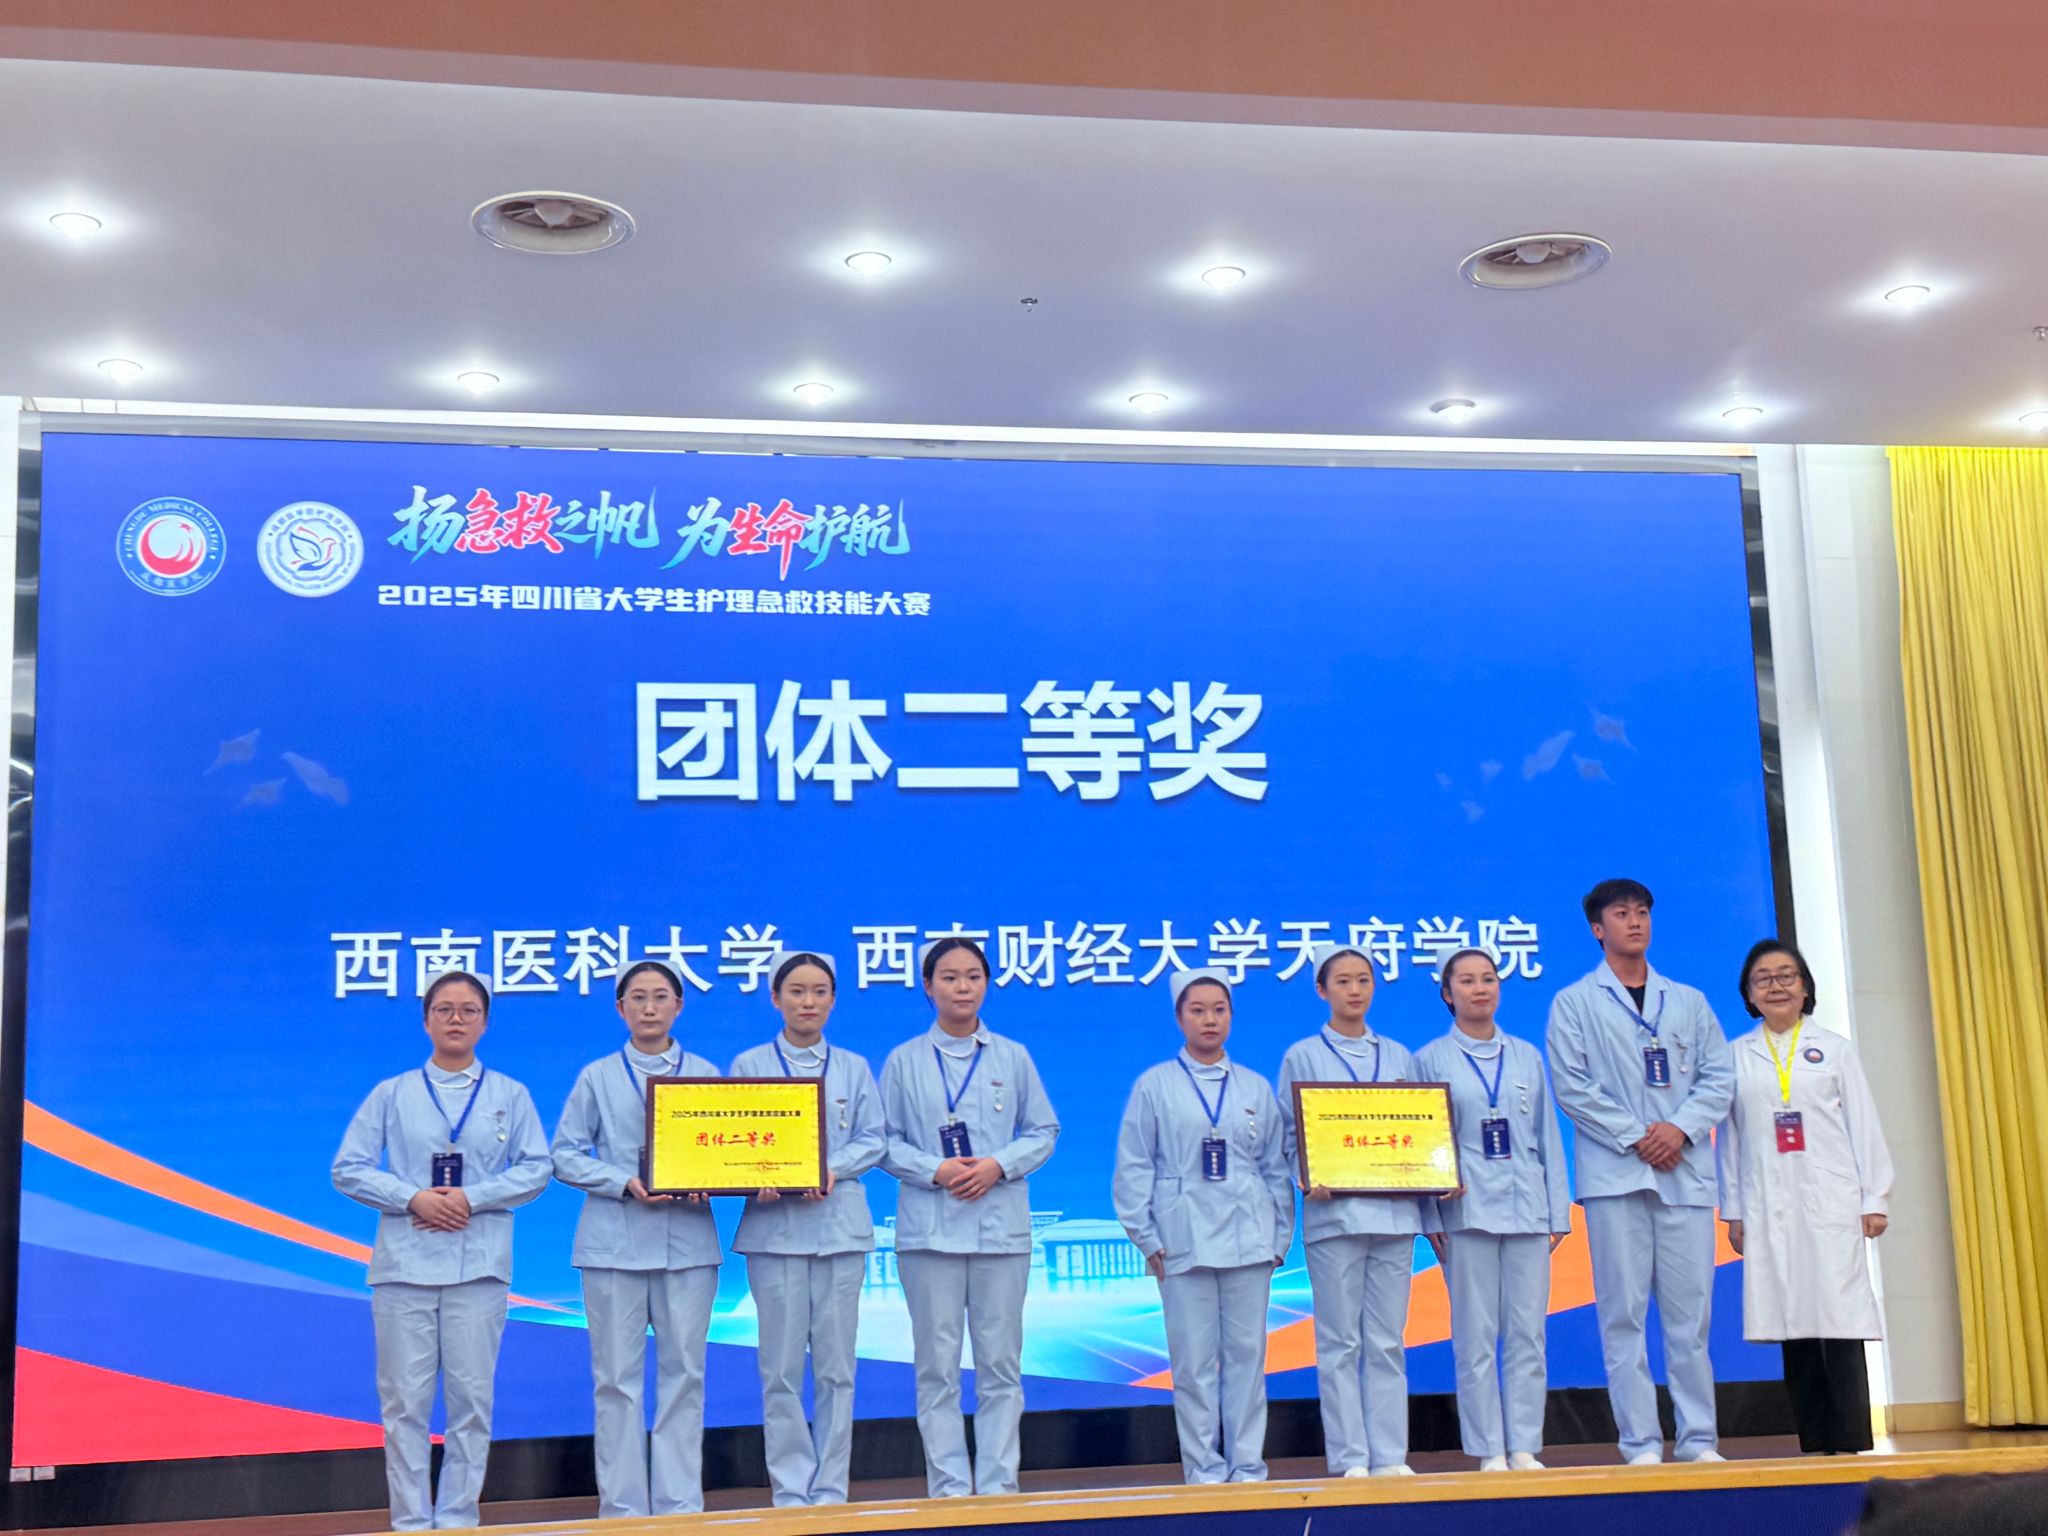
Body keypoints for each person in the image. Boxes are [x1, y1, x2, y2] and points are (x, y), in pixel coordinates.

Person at [331, 971, 552, 1532]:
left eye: (468, 1010)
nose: (456, 1019)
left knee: (470, 1404)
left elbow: (537, 1168)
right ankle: (410, 1522)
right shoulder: (393, 1093)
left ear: (485, 1022)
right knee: (403, 1405)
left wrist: (473, 1198)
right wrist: (413, 1198)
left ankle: (457, 1520)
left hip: (479, 1269)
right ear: (426, 1020)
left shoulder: (510, 1094)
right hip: (404, 1268)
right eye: (444, 1009)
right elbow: (348, 1168)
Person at [1546, 878, 1734, 1465]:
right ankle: (1641, 1442)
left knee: (1689, 1318)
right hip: (1616, 1177)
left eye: (1643, 912)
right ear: (1597, 929)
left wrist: (1678, 1129)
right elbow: (1572, 1086)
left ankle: (1699, 1440)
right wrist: (1637, 1136)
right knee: (1621, 1315)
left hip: (1684, 1174)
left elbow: (1719, 1078)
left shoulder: (1688, 1001)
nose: (1635, 921)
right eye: (1622, 913)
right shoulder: (1574, 1002)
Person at [879, 937, 1060, 1498]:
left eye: (973, 976)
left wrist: (997, 1165)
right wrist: (934, 1169)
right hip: (929, 1234)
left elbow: (1044, 1131)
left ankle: (1000, 1483)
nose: (962, 987)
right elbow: (881, 1141)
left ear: (986, 984)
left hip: (1000, 1232)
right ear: (928, 986)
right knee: (936, 1366)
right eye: (950, 977)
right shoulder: (904, 1060)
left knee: (1000, 1364)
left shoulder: (1013, 1056)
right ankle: (950, 1487)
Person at [549, 960, 722, 1517]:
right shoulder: (597, 1076)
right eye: (638, 998)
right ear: (620, 1008)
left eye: (661, 996)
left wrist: (711, 1177)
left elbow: (728, 1149)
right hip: (613, 1245)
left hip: (688, 1244)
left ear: (679, 1005)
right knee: (616, 1382)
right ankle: (622, 1510)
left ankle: (679, 1506)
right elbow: (564, 1155)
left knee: (685, 1376)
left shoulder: (706, 1074)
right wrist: (621, 1181)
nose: (650, 1007)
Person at [1112, 968, 1293, 1484]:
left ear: (1231, 1016)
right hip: (1181, 1241)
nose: (1209, 1019)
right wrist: (1146, 1236)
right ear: (1179, 1018)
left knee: (1247, 1361)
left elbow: (1274, 1169)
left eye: (1219, 1009)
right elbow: (1134, 1165)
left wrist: (1278, 1239)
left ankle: (1248, 1466)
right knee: (1193, 1363)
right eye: (1197, 1010)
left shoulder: (1254, 1086)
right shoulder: (1154, 1085)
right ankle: (1204, 1470)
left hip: (1249, 1240)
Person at [1717, 939, 1893, 1455]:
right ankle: (1814, 1441)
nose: (1776, 986)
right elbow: (1730, 1140)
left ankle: (1852, 1438)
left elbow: (1864, 1125)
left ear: (1805, 986)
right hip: (1769, 1203)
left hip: (1831, 1198)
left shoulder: (1834, 1049)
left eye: (1786, 975)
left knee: (1839, 1315)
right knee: (1793, 1316)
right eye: (1763, 978)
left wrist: (1874, 1197)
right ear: (1749, 993)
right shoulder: (1735, 1056)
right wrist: (1733, 1211)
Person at [729, 951, 885, 1505]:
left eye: (819, 991)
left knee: (839, 1369)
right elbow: (730, 1141)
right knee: (780, 1369)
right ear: (776, 998)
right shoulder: (749, 1065)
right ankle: (791, 1488)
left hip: (839, 1232)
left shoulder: (853, 1067)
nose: (808, 1001)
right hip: (774, 1235)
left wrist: (831, 1169)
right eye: (796, 991)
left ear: (833, 1000)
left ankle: (832, 1487)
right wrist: (756, 1178)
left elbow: (875, 1137)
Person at [1416, 948, 1574, 1472]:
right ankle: (1489, 1449)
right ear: (1447, 993)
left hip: (1527, 1208)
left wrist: (1557, 1213)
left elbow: (1547, 1137)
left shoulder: (1526, 1055)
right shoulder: (1430, 1060)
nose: (1480, 988)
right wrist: (1431, 1219)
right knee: (1475, 1336)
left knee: (1528, 1332)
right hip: (1466, 1216)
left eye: (1488, 978)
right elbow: (1422, 1146)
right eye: (1467, 981)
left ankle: (1524, 1444)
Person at [1276, 942, 1426, 1478]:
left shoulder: (1400, 1056)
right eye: (1343, 981)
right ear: (1322, 990)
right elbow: (1288, 1136)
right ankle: (1349, 1458)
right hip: (1334, 1218)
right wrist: (1307, 1175)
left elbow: (1420, 1130)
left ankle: (1389, 1456)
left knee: (1386, 1341)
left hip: (1395, 1217)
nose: (1355, 990)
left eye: (1363, 979)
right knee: (1339, 1342)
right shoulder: (1302, 1056)